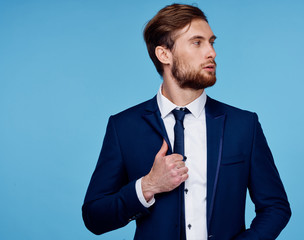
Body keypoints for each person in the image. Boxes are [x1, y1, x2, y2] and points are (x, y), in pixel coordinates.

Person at [82, 3, 291, 240]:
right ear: (164, 54)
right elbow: (94, 217)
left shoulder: (244, 125)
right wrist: (148, 186)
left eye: (211, 42)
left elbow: (276, 207)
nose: (211, 52)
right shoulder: (124, 127)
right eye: (197, 42)